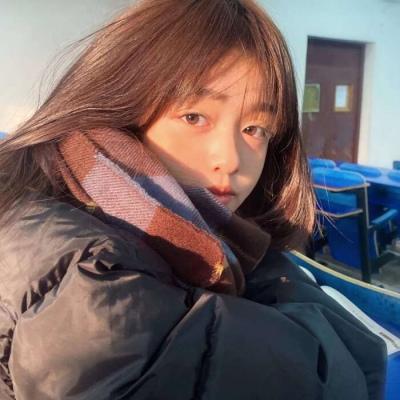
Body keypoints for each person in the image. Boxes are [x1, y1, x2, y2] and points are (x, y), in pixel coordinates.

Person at [0, 1, 386, 399]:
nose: (231, 159)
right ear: (122, 106)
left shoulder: (198, 236)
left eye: (255, 128)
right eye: (194, 117)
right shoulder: (93, 281)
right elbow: (332, 379)